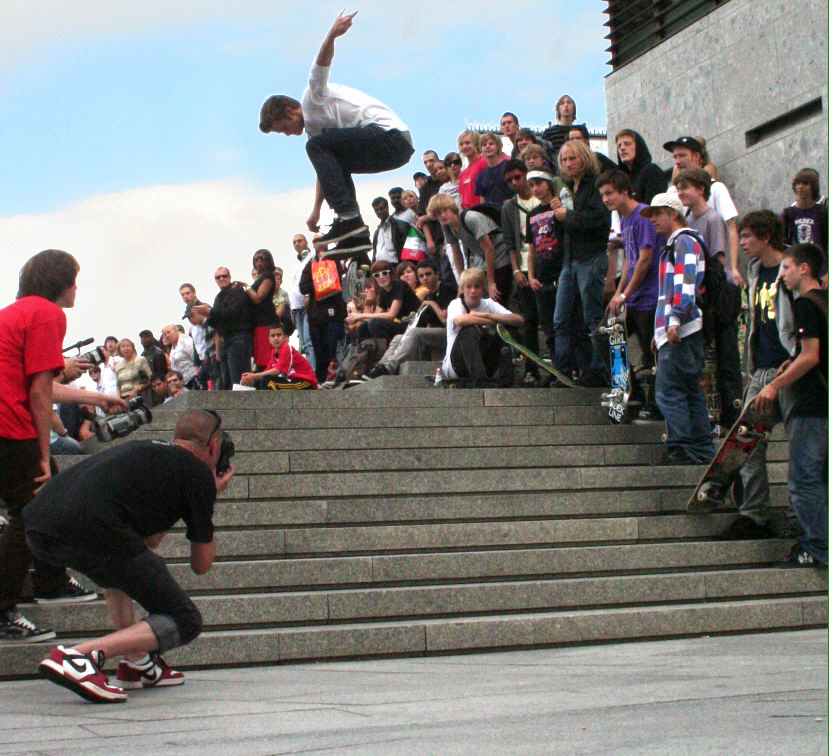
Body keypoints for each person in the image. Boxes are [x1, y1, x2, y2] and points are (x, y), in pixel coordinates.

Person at [27, 409, 234, 703]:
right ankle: (79, 657)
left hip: (39, 525)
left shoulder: (147, 451)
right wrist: (208, 495)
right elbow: (201, 565)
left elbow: (148, 541)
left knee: (118, 566)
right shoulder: (197, 473)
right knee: (186, 620)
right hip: (92, 525)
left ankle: (137, 663)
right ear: (214, 445)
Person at [1, 250, 126, 643]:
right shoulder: (48, 314)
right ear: (59, 282)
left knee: (42, 505)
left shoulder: (14, 312)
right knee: (32, 511)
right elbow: (39, 394)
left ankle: (52, 580)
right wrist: (43, 452)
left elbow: (43, 384)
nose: (76, 287)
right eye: (73, 278)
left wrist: (101, 400)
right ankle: (6, 608)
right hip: (11, 426)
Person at [259, 11, 414, 254]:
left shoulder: (312, 98)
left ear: (290, 111)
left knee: (315, 147)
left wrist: (332, 34)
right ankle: (357, 235)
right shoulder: (317, 135)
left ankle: (349, 217)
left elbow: (321, 62)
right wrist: (317, 209)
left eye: (284, 128)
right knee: (329, 157)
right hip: (392, 150)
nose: (288, 134)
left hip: (391, 137)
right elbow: (325, 172)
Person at [720, 211, 796, 540]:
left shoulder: (789, 270)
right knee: (747, 444)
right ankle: (754, 514)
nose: (744, 243)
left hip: (790, 370)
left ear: (765, 237)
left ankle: (799, 517)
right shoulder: (754, 271)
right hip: (761, 370)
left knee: (800, 448)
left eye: (748, 237)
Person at [755, 243, 827, 567]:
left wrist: (773, 385)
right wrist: (792, 360)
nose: (781, 275)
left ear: (804, 269)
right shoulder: (824, 302)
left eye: (786, 268)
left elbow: (812, 356)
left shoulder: (806, 305)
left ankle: (814, 548)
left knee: (803, 479)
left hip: (812, 405)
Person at [641, 194, 714, 466]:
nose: (654, 220)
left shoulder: (682, 241)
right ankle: (702, 448)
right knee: (690, 389)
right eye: (652, 215)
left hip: (681, 329)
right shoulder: (678, 243)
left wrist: (672, 323)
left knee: (669, 391)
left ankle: (681, 446)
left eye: (659, 213)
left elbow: (684, 285)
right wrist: (659, 332)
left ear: (674, 213)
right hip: (682, 328)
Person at [675, 167, 743, 427]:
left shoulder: (712, 219)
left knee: (726, 358)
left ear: (701, 189)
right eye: (679, 188)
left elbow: (718, 259)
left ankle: (731, 414)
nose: (681, 193)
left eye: (686, 188)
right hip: (700, 296)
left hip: (717, 294)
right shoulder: (688, 221)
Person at [552, 140, 612, 386]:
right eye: (564, 159)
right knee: (560, 318)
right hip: (570, 259)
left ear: (584, 158)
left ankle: (599, 370)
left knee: (593, 317)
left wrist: (569, 216)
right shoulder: (568, 188)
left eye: (572, 158)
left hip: (590, 257)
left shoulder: (595, 186)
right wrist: (559, 216)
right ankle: (563, 370)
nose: (568, 164)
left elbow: (600, 221)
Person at [596, 170, 661, 384]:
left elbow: (645, 259)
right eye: (603, 195)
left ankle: (653, 403)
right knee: (605, 336)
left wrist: (625, 294)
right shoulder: (624, 219)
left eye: (609, 193)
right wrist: (618, 292)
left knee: (650, 354)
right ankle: (626, 386)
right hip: (631, 297)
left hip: (648, 299)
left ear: (624, 191)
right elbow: (630, 261)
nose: (606, 199)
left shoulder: (643, 215)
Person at [664, 135, 744, 288]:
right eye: (675, 156)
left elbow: (731, 228)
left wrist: (732, 267)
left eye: (682, 155)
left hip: (713, 271)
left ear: (696, 156)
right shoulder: (672, 193)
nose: (678, 161)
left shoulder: (716, 188)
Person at [365, 260, 454, 378]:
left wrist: (431, 303)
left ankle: (390, 367)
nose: (425, 278)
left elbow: (444, 319)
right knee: (397, 338)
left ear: (437, 274)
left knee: (412, 332)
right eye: (421, 276)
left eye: (428, 274)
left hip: (449, 333)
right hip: (433, 332)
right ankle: (380, 366)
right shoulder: (429, 295)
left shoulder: (446, 289)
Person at [440, 267, 523, 387]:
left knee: (508, 329)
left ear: (483, 288)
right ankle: (481, 382)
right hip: (457, 366)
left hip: (485, 363)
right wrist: (494, 321)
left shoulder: (489, 304)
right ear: (462, 289)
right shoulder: (456, 304)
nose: (473, 291)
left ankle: (506, 380)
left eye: (477, 287)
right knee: (469, 330)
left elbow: (518, 320)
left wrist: (486, 315)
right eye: (469, 287)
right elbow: (461, 320)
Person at [430, 192, 512, 306]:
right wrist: (462, 283)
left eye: (445, 210)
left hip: (501, 255)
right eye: (438, 213)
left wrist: (491, 281)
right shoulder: (446, 225)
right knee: (480, 297)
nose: (442, 215)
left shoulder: (470, 218)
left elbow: (489, 249)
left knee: (497, 298)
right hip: (485, 259)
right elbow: (456, 253)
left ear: (452, 208)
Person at [501, 159, 542, 382]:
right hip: (524, 269)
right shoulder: (509, 207)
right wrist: (516, 271)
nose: (515, 182)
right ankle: (531, 369)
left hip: (545, 266)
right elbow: (509, 242)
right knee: (528, 320)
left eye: (518, 177)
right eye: (509, 180)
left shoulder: (542, 198)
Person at [192, 268, 253, 389]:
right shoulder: (218, 297)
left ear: (229, 277)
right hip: (226, 341)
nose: (222, 279)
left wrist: (210, 312)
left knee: (239, 380)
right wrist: (208, 315)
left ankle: (244, 406)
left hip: (239, 339)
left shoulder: (237, 292)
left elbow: (232, 314)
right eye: (218, 277)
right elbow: (217, 324)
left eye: (224, 276)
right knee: (228, 382)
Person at [299, 244, 347, 385]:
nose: (322, 255)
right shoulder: (310, 265)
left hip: (334, 315)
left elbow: (337, 283)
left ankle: (335, 378)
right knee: (319, 353)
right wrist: (320, 282)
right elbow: (303, 287)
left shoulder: (335, 262)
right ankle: (319, 381)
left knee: (334, 350)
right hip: (316, 317)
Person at [346, 260, 420, 341]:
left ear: (390, 274)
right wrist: (355, 317)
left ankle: (387, 348)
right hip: (401, 324)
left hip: (413, 324)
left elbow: (391, 315)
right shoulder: (383, 292)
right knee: (362, 328)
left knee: (374, 324)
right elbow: (377, 315)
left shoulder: (399, 285)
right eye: (377, 275)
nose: (381, 277)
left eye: (384, 273)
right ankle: (372, 351)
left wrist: (360, 315)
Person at [241, 322, 317, 390]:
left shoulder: (287, 347)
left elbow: (276, 371)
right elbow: (267, 371)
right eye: (273, 336)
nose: (276, 338)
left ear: (286, 337)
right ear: (269, 339)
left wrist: (254, 376)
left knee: (267, 381)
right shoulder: (274, 352)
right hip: (291, 381)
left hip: (305, 383)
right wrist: (251, 377)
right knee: (261, 381)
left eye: (279, 335)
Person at [782, 168, 828, 257]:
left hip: (821, 266)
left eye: (805, 184)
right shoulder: (788, 214)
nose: (800, 187)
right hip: (796, 265)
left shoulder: (822, 212)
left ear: (813, 187)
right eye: (798, 183)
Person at [614, 129, 667, 205]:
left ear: (638, 147)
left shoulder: (652, 171)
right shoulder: (623, 179)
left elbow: (655, 208)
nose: (622, 148)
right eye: (619, 146)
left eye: (627, 144)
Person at [288, 234, 317, 372]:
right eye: (294, 242)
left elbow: (312, 278)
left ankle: (314, 374)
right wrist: (292, 309)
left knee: (309, 341)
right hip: (297, 307)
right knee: (304, 343)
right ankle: (310, 373)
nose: (297, 244)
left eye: (299, 241)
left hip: (308, 305)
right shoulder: (299, 263)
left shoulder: (312, 257)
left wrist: (308, 294)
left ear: (306, 242)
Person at [246, 249, 278, 371]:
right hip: (258, 323)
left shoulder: (269, 276)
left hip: (266, 323)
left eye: (262, 259)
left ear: (269, 261)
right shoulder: (261, 277)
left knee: (266, 360)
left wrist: (246, 287)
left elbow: (258, 298)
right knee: (259, 359)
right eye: (256, 259)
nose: (259, 261)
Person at [474, 133, 514, 206]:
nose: (488, 146)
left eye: (491, 144)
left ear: (498, 147)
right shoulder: (481, 176)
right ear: (481, 149)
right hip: (491, 213)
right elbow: (482, 200)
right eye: (484, 145)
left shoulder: (508, 166)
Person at [160, 324, 198, 390]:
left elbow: (196, 358)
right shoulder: (172, 348)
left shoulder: (186, 341)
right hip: (183, 382)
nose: (167, 336)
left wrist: (198, 374)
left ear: (175, 330)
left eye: (168, 332)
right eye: (164, 334)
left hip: (194, 378)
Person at [457, 130, 486, 209]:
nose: (464, 146)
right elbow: (462, 198)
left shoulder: (484, 163)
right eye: (461, 144)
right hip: (466, 214)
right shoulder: (463, 173)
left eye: (467, 143)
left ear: (476, 144)